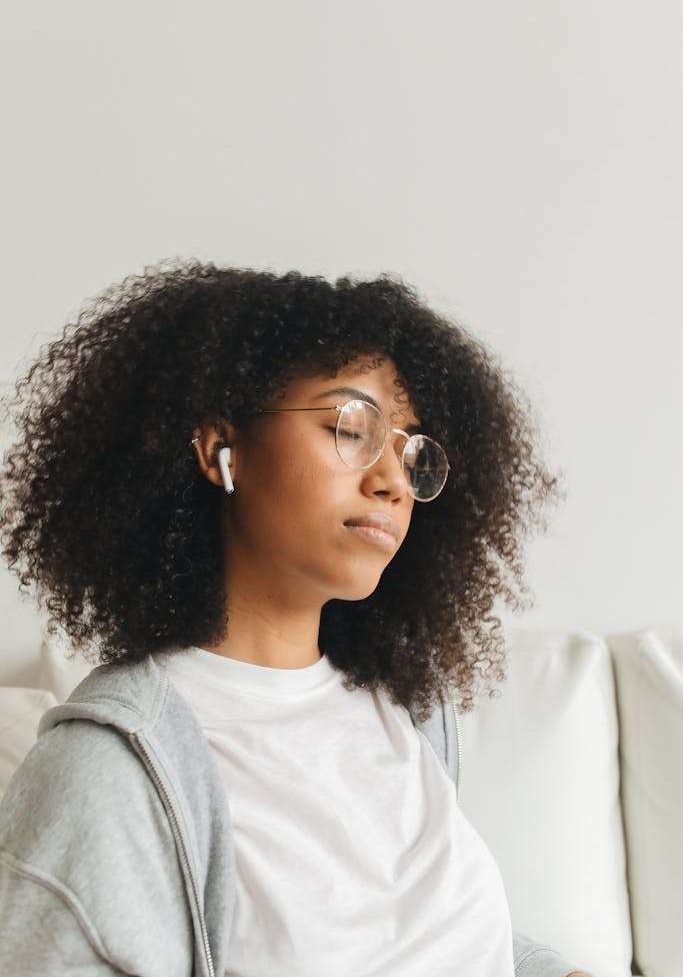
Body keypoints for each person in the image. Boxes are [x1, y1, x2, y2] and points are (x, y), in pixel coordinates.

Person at [0, 259, 592, 976]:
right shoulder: (109, 772)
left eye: (410, 451)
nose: (392, 481)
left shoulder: (406, 710)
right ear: (220, 449)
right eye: (350, 427)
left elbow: (447, 947)